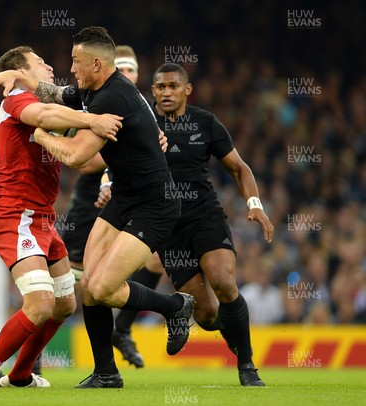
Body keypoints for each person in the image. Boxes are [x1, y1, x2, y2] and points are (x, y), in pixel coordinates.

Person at [0, 27, 195, 389]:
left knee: (102, 287)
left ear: (97, 63)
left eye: (76, 61)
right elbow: (53, 93)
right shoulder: (94, 89)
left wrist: (41, 135)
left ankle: (175, 307)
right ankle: (106, 374)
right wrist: (14, 75)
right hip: (123, 199)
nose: (70, 68)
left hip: (153, 204)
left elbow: (79, 156)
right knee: (88, 288)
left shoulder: (113, 97)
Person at [0, 46, 123, 389]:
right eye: (39, 63)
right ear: (22, 74)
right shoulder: (16, 99)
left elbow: (77, 144)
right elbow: (46, 117)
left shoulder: (46, 100)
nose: (50, 66)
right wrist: (93, 120)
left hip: (43, 218)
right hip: (13, 214)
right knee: (40, 304)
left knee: (64, 304)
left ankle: (21, 374)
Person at [102, 63, 273, 386]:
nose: (167, 92)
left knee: (223, 281)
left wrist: (255, 205)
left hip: (204, 214)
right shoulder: (139, 122)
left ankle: (247, 366)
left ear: (186, 90)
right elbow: (113, 161)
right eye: (161, 87)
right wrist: (105, 185)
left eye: (173, 86)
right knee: (207, 316)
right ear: (152, 91)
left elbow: (239, 168)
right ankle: (232, 331)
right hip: (168, 225)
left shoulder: (205, 123)